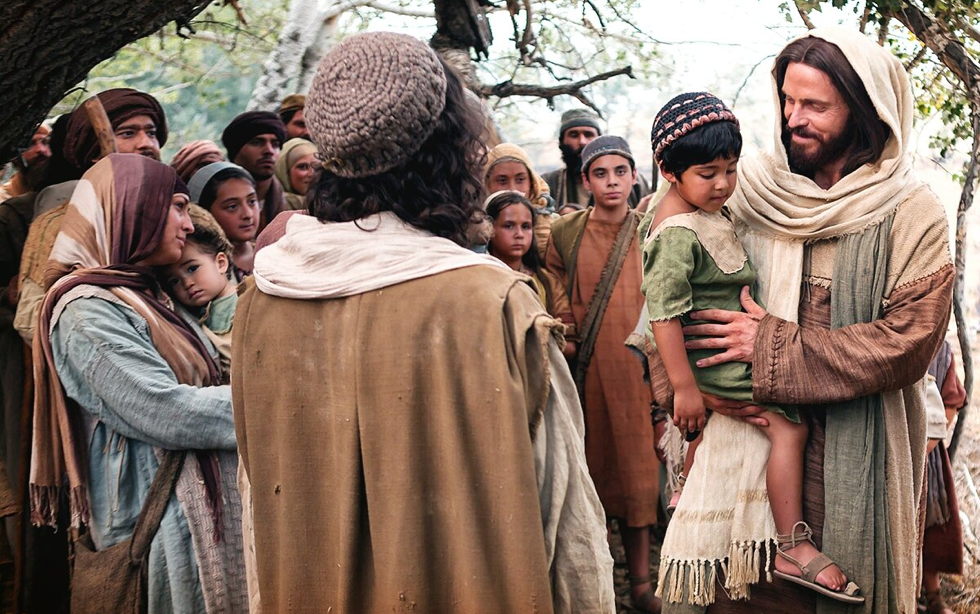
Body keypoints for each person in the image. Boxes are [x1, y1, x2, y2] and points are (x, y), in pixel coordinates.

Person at [234, 31, 614, 613]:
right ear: (452, 149)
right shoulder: (495, 306)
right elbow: (569, 537)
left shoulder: (262, 299)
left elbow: (256, 508)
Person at [662, 28, 953, 614]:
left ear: (867, 111)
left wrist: (768, 346)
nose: (794, 118)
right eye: (788, 100)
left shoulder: (910, 211)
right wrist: (693, 392)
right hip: (736, 468)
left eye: (816, 106)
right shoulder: (745, 190)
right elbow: (665, 291)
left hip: (848, 466)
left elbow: (908, 342)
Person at [643, 93, 859, 606]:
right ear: (668, 171)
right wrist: (684, 389)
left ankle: (685, 483)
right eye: (707, 172)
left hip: (720, 355)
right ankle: (792, 545)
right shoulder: (673, 235)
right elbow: (664, 316)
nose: (722, 184)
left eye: (730, 169)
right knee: (790, 426)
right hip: (710, 362)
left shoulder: (700, 213)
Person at [29, 154, 245, 613]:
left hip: (196, 517)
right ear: (134, 209)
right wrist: (274, 407)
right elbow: (160, 409)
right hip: (159, 525)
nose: (188, 225)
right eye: (179, 207)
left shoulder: (150, 294)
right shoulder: (85, 310)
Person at [545, 135, 661, 613]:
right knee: (587, 474)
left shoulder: (651, 228)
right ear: (586, 180)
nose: (611, 182)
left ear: (634, 176)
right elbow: (553, 283)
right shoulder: (565, 233)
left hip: (638, 374)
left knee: (637, 479)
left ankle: (638, 581)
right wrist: (564, 328)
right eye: (600, 173)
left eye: (620, 172)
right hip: (585, 372)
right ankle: (591, 576)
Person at [485, 190, 575, 356]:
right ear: (490, 229)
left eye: (526, 226)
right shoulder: (481, 279)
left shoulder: (546, 281)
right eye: (508, 226)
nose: (519, 235)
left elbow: (569, 344)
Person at [162, 205, 239, 381]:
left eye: (192, 268)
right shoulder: (196, 314)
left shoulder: (244, 302)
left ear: (221, 263)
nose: (187, 283)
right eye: (174, 281)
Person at [541, 109, 652, 210]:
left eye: (588, 134)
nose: (582, 142)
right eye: (574, 135)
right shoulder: (548, 183)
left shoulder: (635, 182)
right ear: (562, 142)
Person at [188, 161, 259, 279]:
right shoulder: (205, 271)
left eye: (252, 202)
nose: (248, 214)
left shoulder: (273, 255)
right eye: (232, 207)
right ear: (205, 213)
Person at [485, 143, 557, 259]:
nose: (512, 189)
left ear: (532, 183)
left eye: (520, 180)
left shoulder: (557, 228)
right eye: (502, 181)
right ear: (487, 184)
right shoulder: (473, 230)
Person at [221, 111, 287, 231]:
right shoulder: (215, 203)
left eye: (275, 144)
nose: (269, 150)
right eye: (257, 143)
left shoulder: (296, 208)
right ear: (236, 151)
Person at [0, 124, 51, 202]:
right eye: (30, 144)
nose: (41, 149)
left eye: (45, 142)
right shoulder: (3, 199)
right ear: (14, 156)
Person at [274, 137, 317, 210]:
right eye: (302, 167)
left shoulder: (331, 205)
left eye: (316, 166)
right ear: (284, 172)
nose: (311, 174)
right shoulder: (272, 206)